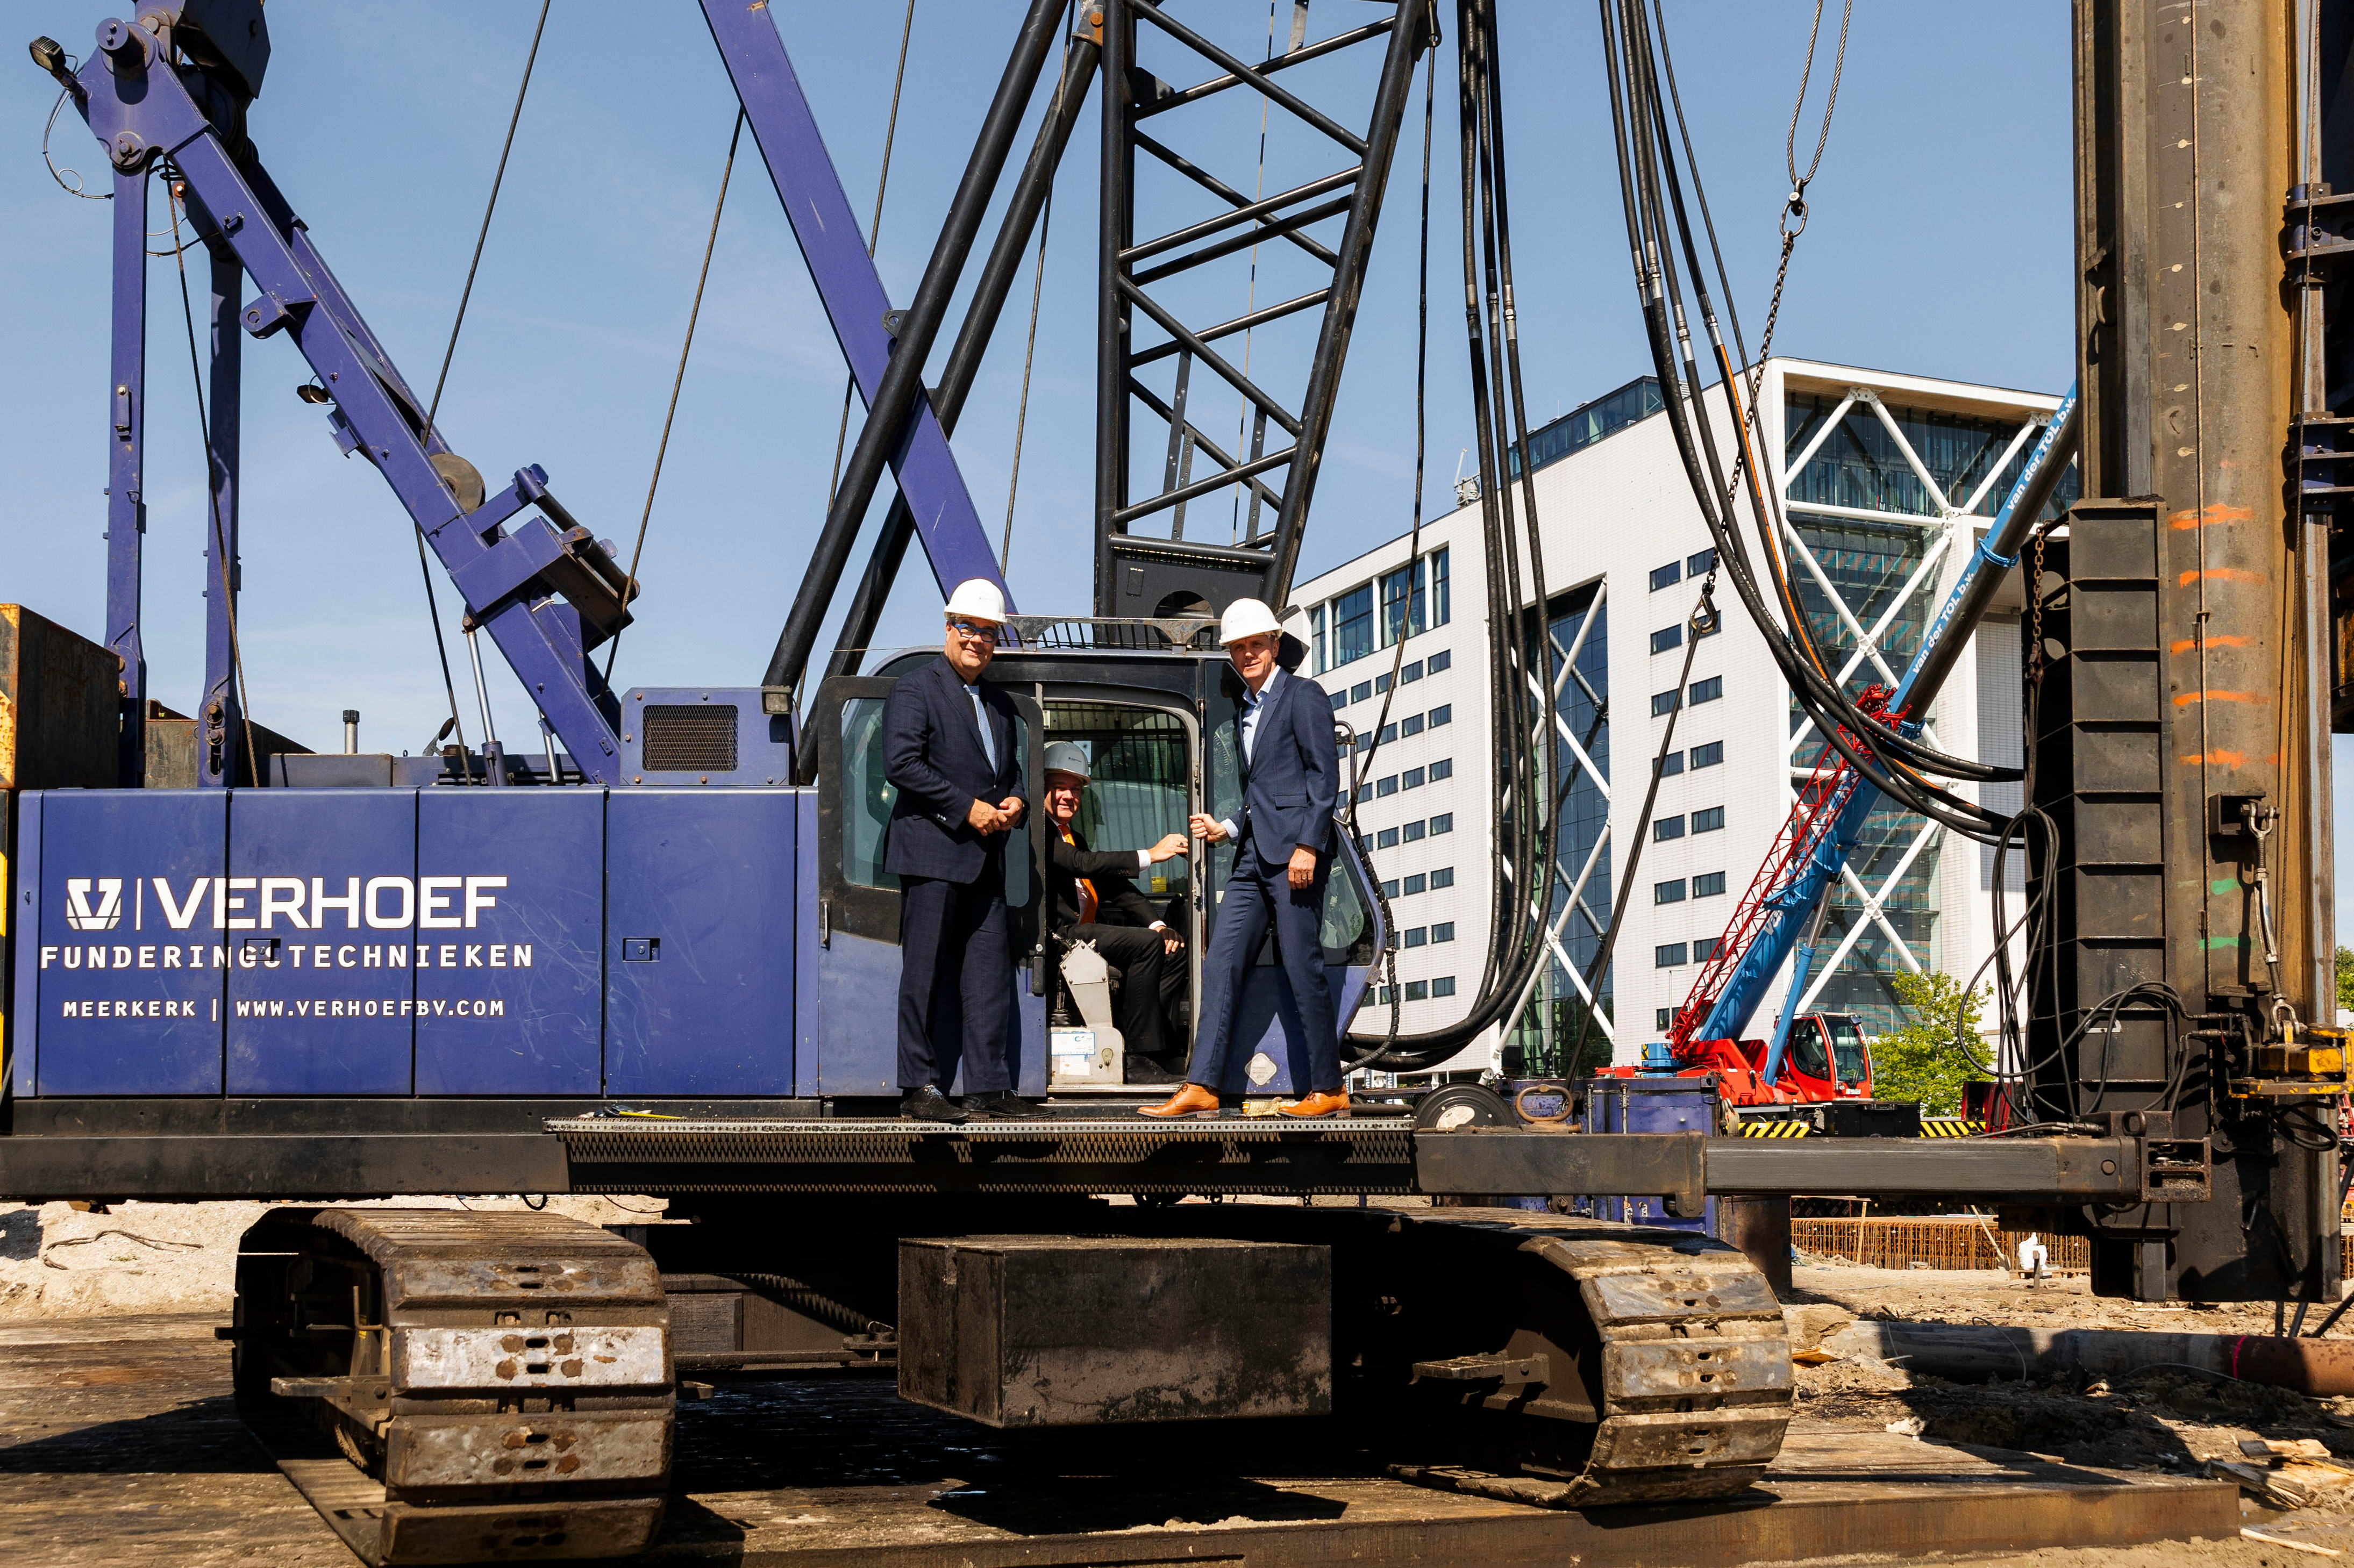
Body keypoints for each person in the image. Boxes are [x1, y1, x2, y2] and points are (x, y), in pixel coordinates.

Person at [1141, 598, 1346, 1120]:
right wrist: (1226, 827)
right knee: (1220, 961)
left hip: (1295, 857)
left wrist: (1307, 845)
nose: (1248, 653)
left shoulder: (1304, 696)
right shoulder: (1245, 709)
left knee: (1303, 968)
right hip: (1254, 857)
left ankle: (1328, 1086)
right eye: (1239, 647)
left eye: (1256, 644)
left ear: (1274, 645)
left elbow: (1324, 779)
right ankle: (1203, 1083)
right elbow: (1264, 788)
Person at [883, 578, 1032, 1122]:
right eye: (968, 628)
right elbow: (900, 764)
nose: (976, 640)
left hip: (984, 859)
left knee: (988, 975)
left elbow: (1009, 771)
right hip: (932, 853)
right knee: (922, 973)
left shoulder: (997, 704)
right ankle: (918, 1087)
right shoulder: (915, 689)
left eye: (987, 632)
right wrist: (967, 808)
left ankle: (989, 1086)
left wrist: (1015, 800)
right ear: (948, 629)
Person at [1039, 741, 1192, 1084]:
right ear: (1042, 790)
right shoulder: (1040, 832)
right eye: (1059, 787)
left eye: (1075, 789)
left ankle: (1155, 1044)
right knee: (1144, 946)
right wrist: (1151, 855)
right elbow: (1082, 864)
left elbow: (1111, 885)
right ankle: (1138, 1057)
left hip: (1085, 934)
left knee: (1172, 950)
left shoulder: (1072, 835)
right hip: (1061, 936)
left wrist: (1157, 923)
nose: (1068, 796)